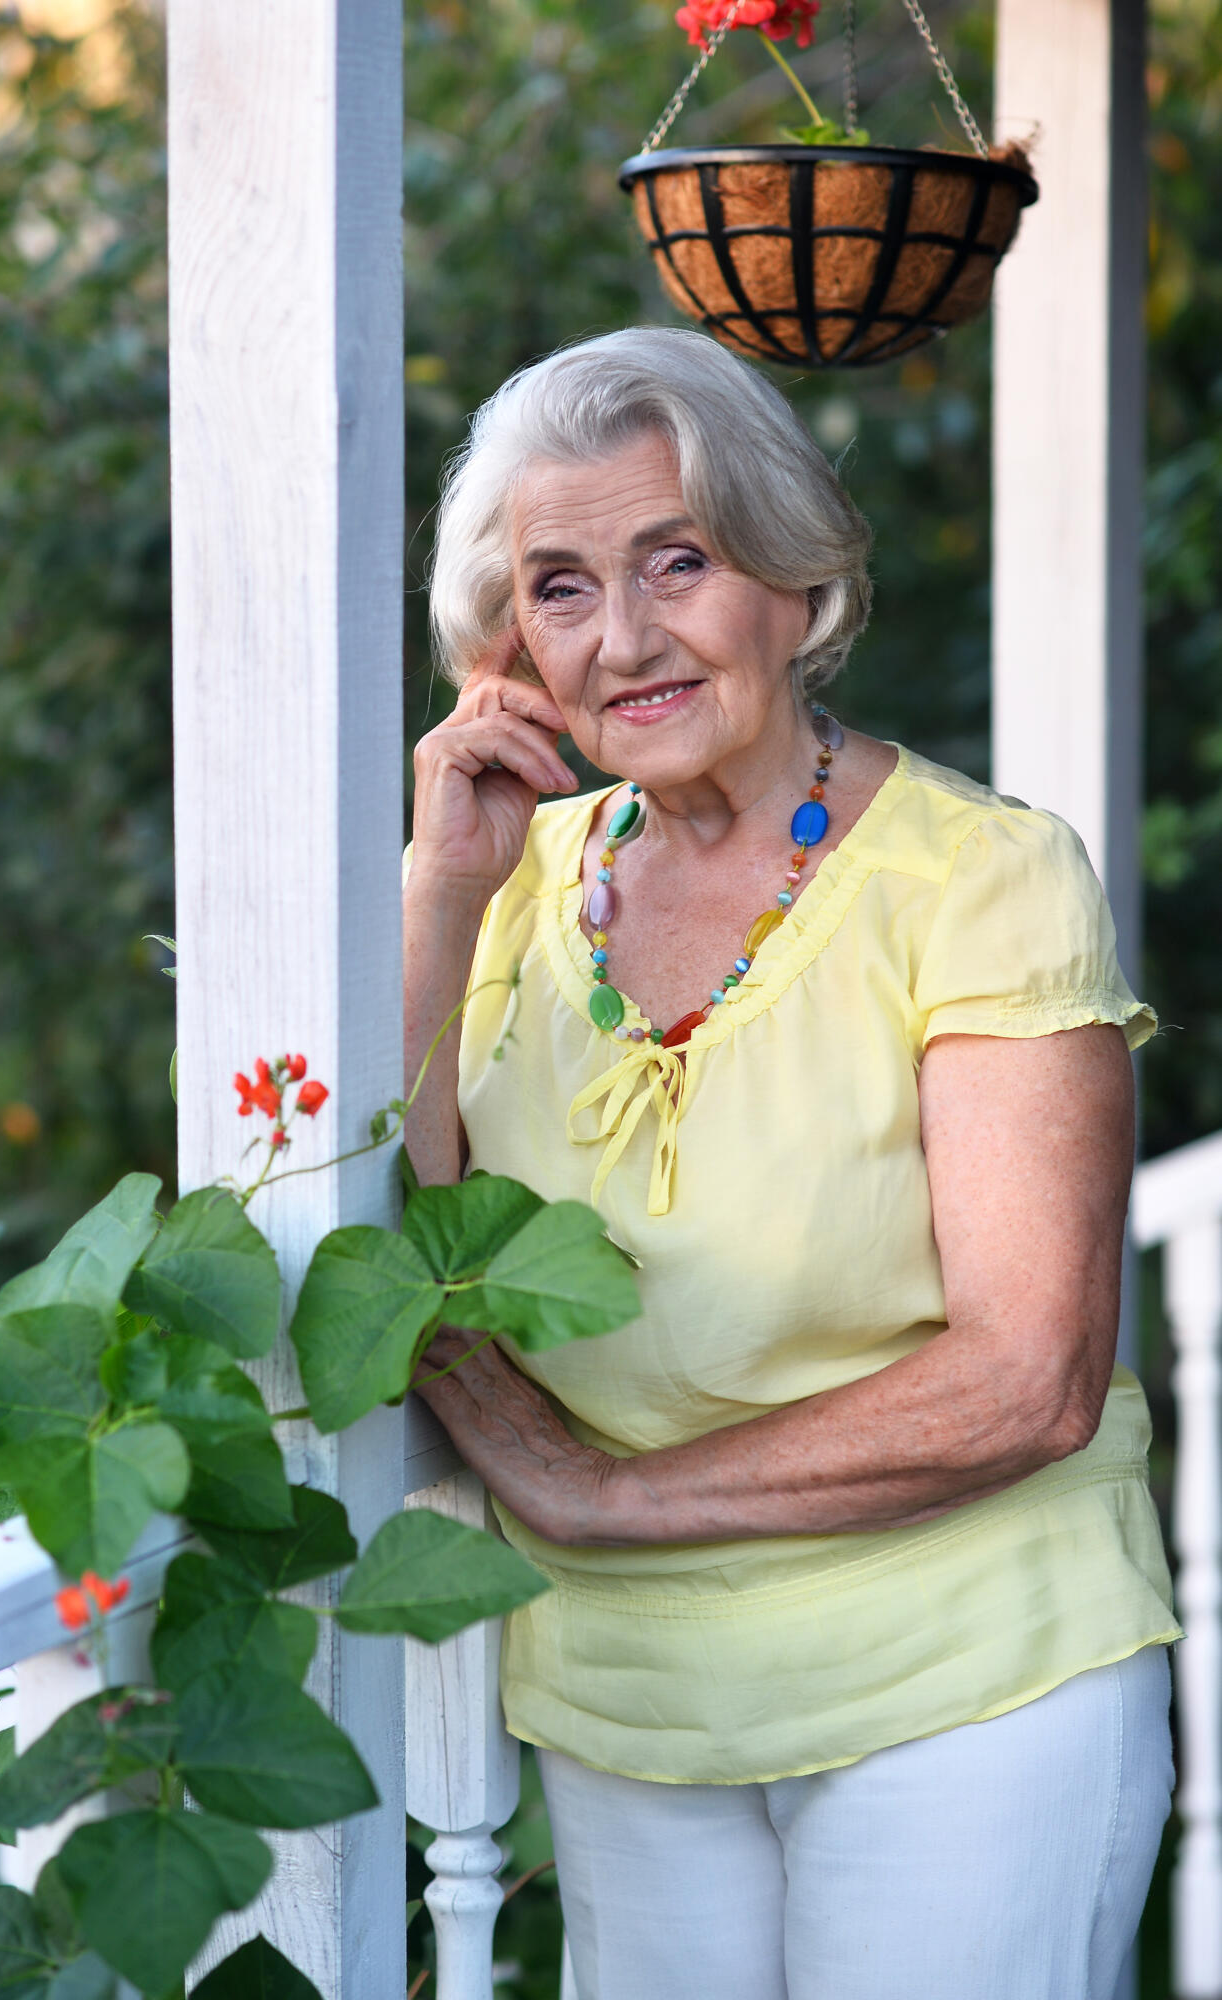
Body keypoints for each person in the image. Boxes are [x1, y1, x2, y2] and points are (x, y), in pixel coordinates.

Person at [404, 326, 1179, 2000]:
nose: (623, 639)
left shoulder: (982, 880)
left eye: (677, 561)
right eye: (558, 588)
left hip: (967, 1675)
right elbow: (373, 1232)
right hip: (626, 1695)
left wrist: (602, 1494)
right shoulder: (511, 882)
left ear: (792, 576)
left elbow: (1031, 1380)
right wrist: (440, 895)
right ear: (506, 645)